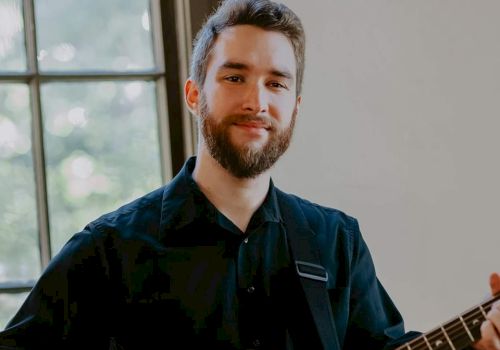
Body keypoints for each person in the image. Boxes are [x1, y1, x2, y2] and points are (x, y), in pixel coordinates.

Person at [1, 0, 499, 349]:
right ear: (195, 94)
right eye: (235, 77)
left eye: (276, 83)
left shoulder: (335, 242)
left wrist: (479, 343)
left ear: (295, 107)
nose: (257, 101)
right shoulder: (108, 250)